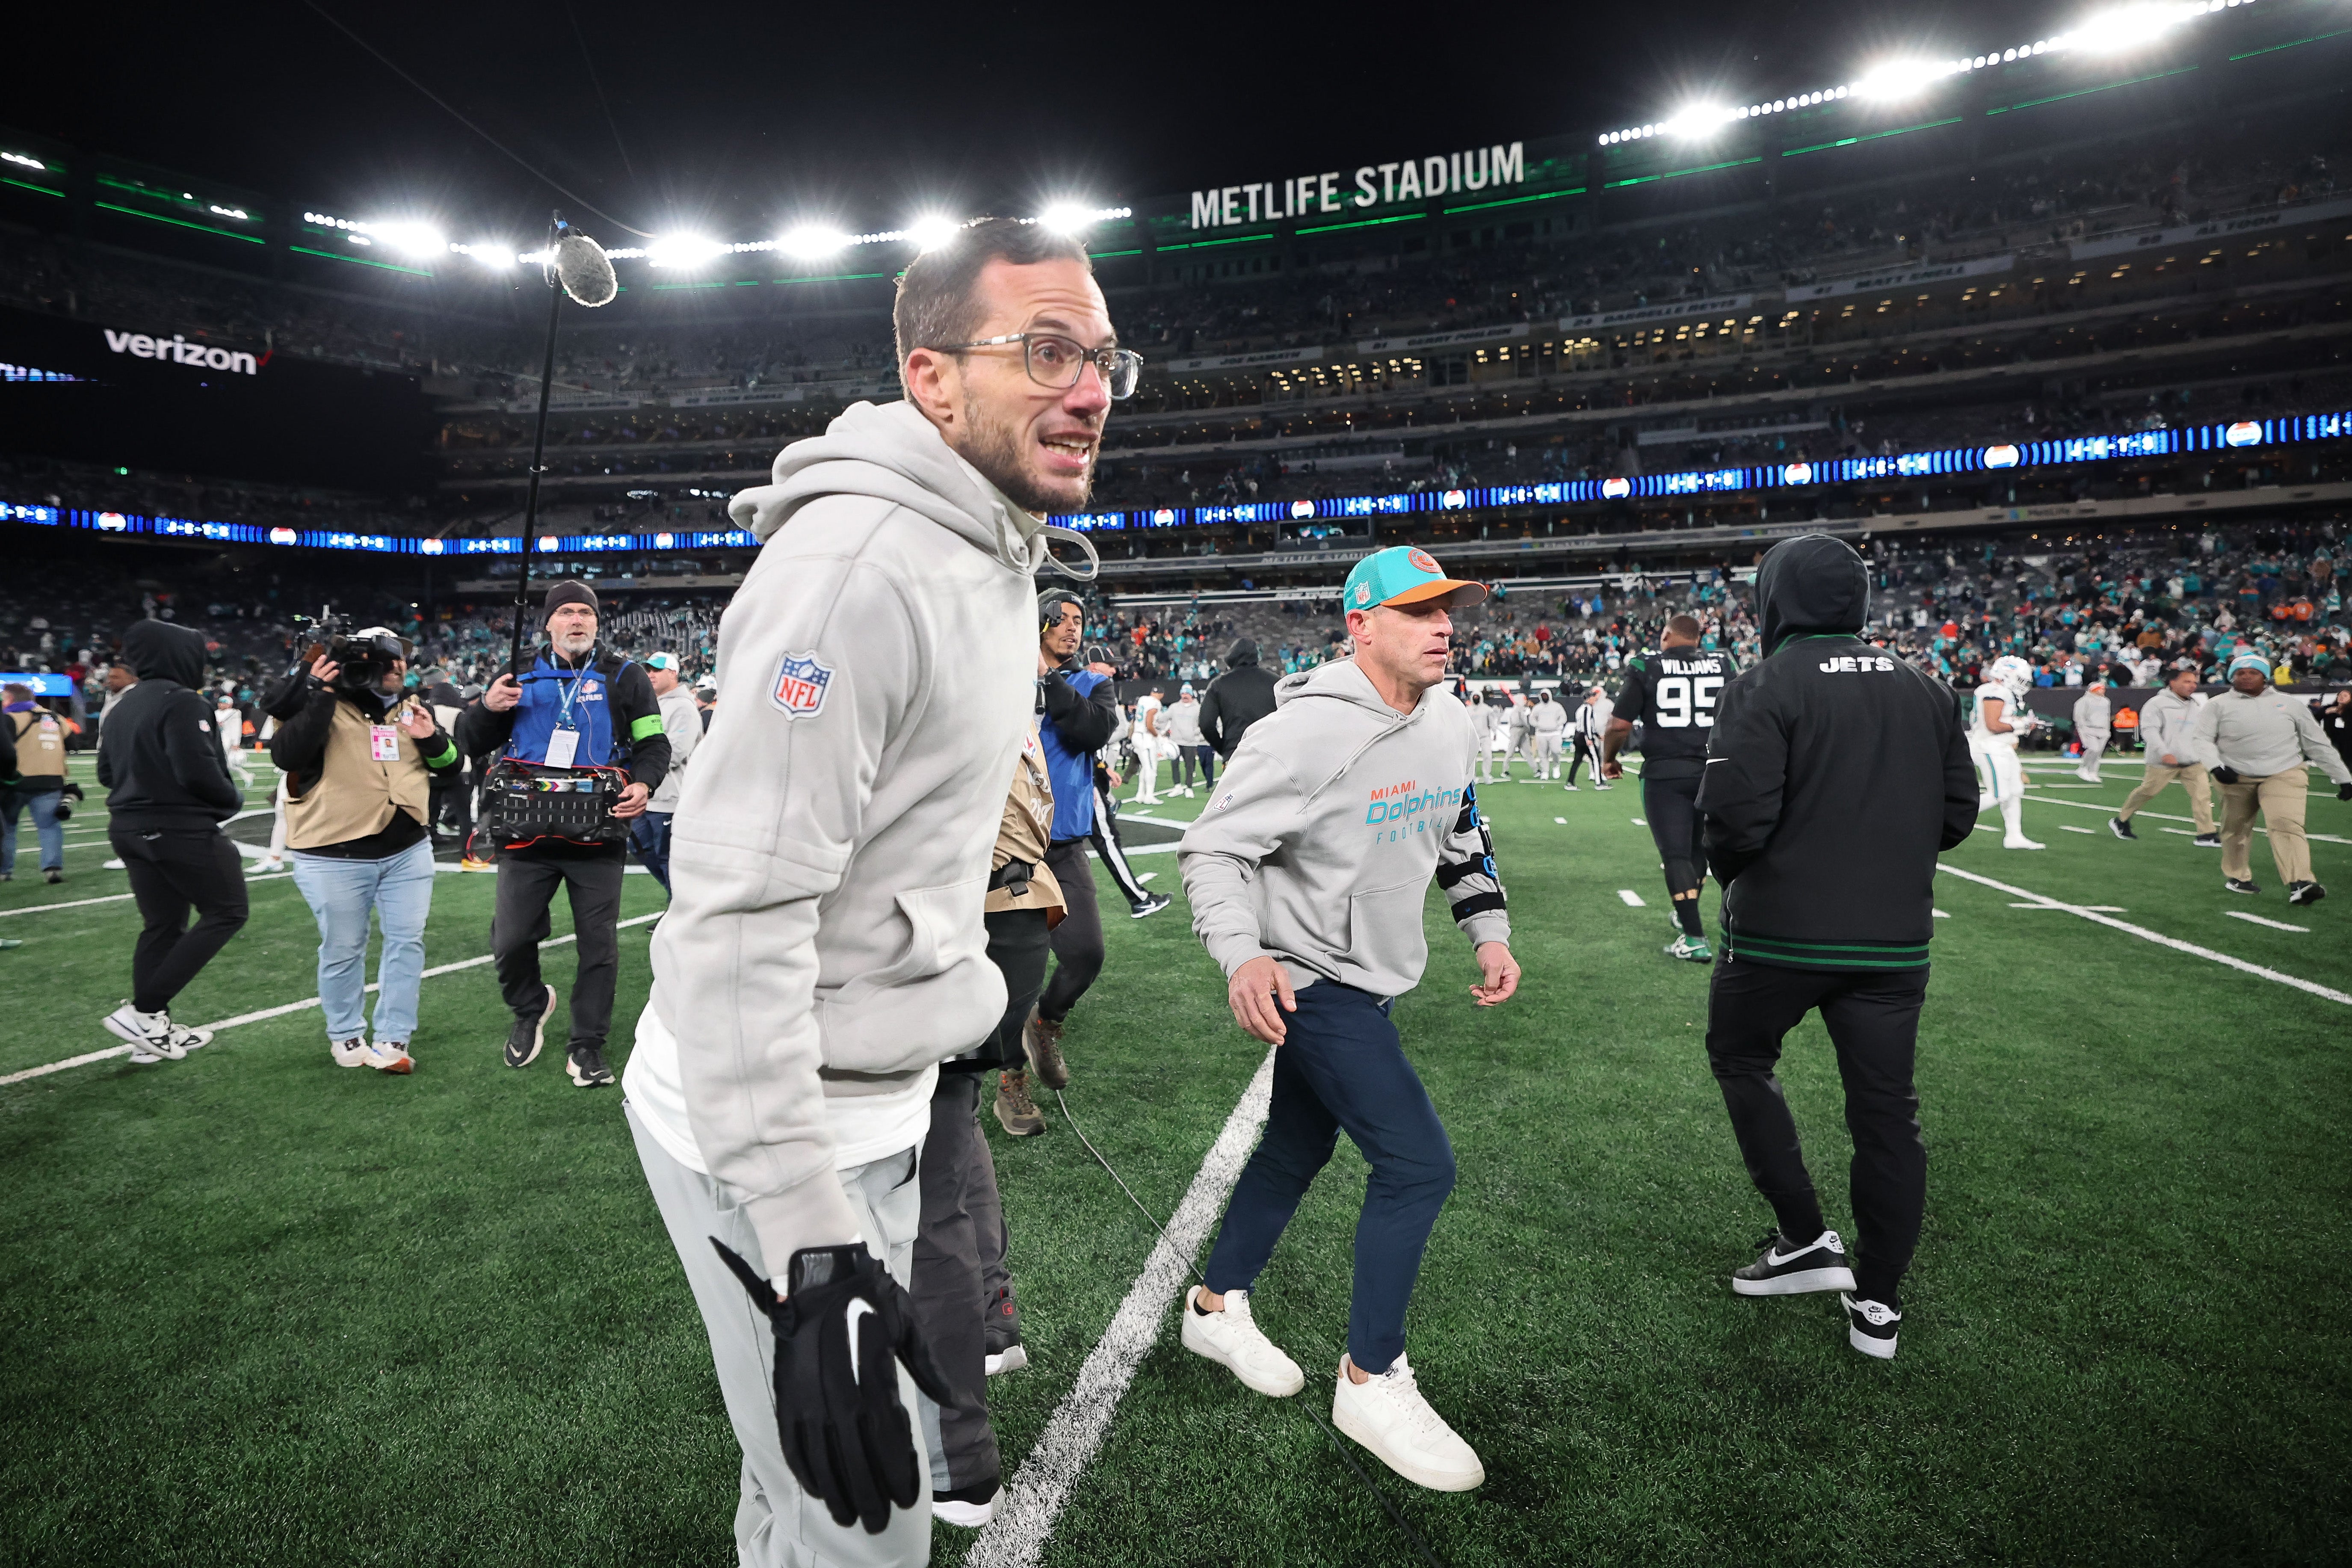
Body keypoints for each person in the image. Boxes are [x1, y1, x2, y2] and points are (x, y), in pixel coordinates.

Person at [621, 215, 1124, 1557]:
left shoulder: (990, 543)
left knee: (798, 1490)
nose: (1091, 390)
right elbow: (736, 913)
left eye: (1107, 360)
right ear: (933, 378)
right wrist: (809, 1241)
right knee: (869, 1520)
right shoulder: (856, 575)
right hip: (774, 1117)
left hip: (875, 1085)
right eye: (1051, 351)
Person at [1179, 544, 1518, 1495]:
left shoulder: (1450, 717)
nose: (1444, 625)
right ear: (1359, 624)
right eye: (1418, 612)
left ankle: (1213, 1307)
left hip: (1373, 975)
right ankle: (1370, 1378)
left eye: (1448, 608)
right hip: (1309, 978)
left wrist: (1485, 929)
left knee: (1293, 1151)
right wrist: (1241, 952)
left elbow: (1459, 827)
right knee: (1418, 1165)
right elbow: (1212, 850)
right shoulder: (1298, 735)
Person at [1695, 534, 1978, 1362]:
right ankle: (1879, 1305)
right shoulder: (1925, 687)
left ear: (1772, 599)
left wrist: (1745, 877)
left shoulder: (1763, 683)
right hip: (1892, 944)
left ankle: (1804, 1239)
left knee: (1740, 1061)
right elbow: (1956, 816)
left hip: (1779, 934)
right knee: (1887, 1115)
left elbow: (1733, 819)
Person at [916, 738, 1063, 1527]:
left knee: (921, 1188)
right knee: (954, 1122)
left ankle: (955, 1456)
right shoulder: (1004, 692)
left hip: (966, 922)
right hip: (1011, 920)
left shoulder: (956, 687)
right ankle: (991, 1319)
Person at [459, 581, 669, 1087]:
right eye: (566, 613)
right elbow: (470, 741)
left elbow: (653, 744)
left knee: (599, 947)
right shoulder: (518, 674)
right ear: (548, 623)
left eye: (586, 613)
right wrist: (489, 706)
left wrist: (644, 782)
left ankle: (587, 1044)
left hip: (598, 837)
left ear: (597, 623)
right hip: (525, 838)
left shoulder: (625, 675)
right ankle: (530, 1008)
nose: (577, 620)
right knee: (510, 941)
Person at [269, 628, 462, 1073]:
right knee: (342, 947)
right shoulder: (312, 698)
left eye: (403, 663)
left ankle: (395, 1035)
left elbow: (452, 768)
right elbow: (288, 755)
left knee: (407, 943)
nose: (400, 669)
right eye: (388, 661)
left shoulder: (414, 708)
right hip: (331, 851)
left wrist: (432, 739)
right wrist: (321, 692)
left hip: (408, 848)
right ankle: (345, 1033)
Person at [1023, 591, 1169, 1098]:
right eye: (1060, 619)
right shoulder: (1002, 677)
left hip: (1061, 844)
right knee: (1004, 966)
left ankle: (1046, 1024)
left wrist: (1047, 681)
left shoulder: (1094, 684)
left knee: (1085, 954)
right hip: (1005, 847)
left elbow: (1092, 731)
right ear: (1036, 621)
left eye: (1078, 621)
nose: (1072, 628)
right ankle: (1008, 1078)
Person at [94, 621, 249, 1062]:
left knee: (161, 926)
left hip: (127, 828)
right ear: (182, 655)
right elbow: (198, 772)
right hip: (179, 829)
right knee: (227, 911)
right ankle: (143, 1012)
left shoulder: (122, 706)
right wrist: (230, 800)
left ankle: (151, 1033)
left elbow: (107, 774)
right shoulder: (183, 702)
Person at [1604, 613, 1736, 962]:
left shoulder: (1646, 664)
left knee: (1676, 855)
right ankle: (1686, 910)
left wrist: (1609, 759)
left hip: (1666, 773)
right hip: (1714, 771)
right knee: (1700, 851)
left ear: (1665, 636)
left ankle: (1694, 937)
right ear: (1697, 639)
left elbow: (1619, 725)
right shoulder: (1723, 662)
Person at [2187, 651, 2352, 904]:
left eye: (2253, 672)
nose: (2247, 677)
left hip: (2285, 771)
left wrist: (2343, 777)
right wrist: (2216, 766)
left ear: (2265, 677)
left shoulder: (2290, 704)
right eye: (2240, 673)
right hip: (2235, 775)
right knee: (2235, 830)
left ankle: (2301, 882)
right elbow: (2202, 739)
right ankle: (2238, 876)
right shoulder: (2217, 705)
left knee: (2286, 823)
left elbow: (2317, 743)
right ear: (2232, 677)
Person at [2110, 665, 2219, 846]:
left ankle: (2206, 834)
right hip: (2163, 762)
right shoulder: (2156, 704)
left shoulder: (2195, 705)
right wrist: (2164, 753)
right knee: (2147, 792)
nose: (2192, 686)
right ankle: (2121, 820)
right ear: (2173, 682)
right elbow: (2150, 731)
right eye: (2187, 681)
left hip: (2192, 761)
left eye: (2194, 682)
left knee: (2203, 796)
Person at [630, 652, 701, 892]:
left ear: (673, 673)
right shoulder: (651, 703)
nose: (650, 675)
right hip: (647, 795)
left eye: (657, 670)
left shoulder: (684, 707)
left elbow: (677, 751)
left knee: (667, 857)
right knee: (640, 848)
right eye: (648, 670)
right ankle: (677, 903)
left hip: (671, 797)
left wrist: (640, 761)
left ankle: (678, 908)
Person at [1969, 654, 2045, 849]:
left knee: (2014, 792)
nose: (2023, 684)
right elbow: (1994, 725)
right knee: (1998, 794)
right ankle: (1945, 818)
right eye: (2020, 679)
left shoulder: (2002, 691)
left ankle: (2014, 837)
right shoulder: (1994, 691)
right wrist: (2021, 724)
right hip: (1990, 747)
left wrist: (2021, 726)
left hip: (2000, 747)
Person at [3, 684, 70, 885]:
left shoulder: (9, 718)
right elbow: (69, 736)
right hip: (51, 778)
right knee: (50, 826)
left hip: (16, 780)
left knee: (7, 827)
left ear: (12, 699)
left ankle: (4, 870)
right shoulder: (55, 716)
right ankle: (53, 868)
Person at [1198, 637, 1278, 760]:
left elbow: (1206, 725)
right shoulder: (1276, 682)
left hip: (1236, 754)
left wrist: (1224, 749)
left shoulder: (1219, 685)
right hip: (1271, 755)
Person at [1166, 682, 1210, 796]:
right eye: (1183, 693)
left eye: (1187, 693)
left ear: (1192, 695)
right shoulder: (1174, 707)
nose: (1185, 695)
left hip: (1190, 742)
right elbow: (1164, 718)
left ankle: (1189, 787)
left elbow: (1204, 724)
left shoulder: (1199, 709)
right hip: (1176, 741)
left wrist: (1195, 734)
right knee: (1174, 765)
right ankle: (1177, 786)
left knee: (1189, 766)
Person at [2072, 680, 2112, 784]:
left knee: (2098, 753)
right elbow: (2079, 716)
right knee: (2093, 749)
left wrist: (2107, 730)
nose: (2103, 691)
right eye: (2100, 689)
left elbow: (2107, 716)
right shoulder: (2084, 701)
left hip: (2103, 730)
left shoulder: (2106, 701)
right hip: (2089, 729)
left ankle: (2093, 772)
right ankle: (2084, 768)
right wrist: (2083, 728)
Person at [1130, 684, 1165, 803]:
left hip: (1137, 734)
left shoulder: (1143, 699)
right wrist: (1158, 736)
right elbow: (1149, 724)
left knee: (1145, 767)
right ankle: (1149, 796)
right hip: (1145, 737)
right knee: (1151, 768)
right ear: (1162, 695)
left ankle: (1140, 795)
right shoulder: (1155, 703)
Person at [1529, 688, 1567, 780]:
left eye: (1546, 696)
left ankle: (1556, 766)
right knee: (1543, 754)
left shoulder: (1557, 706)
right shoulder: (1537, 708)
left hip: (1555, 733)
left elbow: (1564, 718)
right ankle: (1545, 771)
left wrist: (1557, 725)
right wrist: (1538, 725)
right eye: (1543, 696)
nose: (1545, 697)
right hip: (1541, 734)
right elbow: (1532, 719)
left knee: (1556, 751)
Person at [1466, 686, 1499, 782]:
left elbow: (1492, 722)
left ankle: (1487, 775)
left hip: (1485, 737)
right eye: (1475, 697)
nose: (1476, 698)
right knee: (1472, 759)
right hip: (1472, 737)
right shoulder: (1468, 710)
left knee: (1488, 756)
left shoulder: (1487, 709)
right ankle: (1473, 777)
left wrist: (1495, 732)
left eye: (1478, 697)